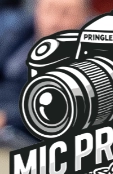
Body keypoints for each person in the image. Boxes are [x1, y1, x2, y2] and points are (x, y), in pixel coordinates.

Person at [0, 0, 87, 141]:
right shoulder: (18, 35)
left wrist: (7, 117)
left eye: (66, 14)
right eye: (49, 10)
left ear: (84, 17)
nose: (55, 21)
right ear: (36, 10)